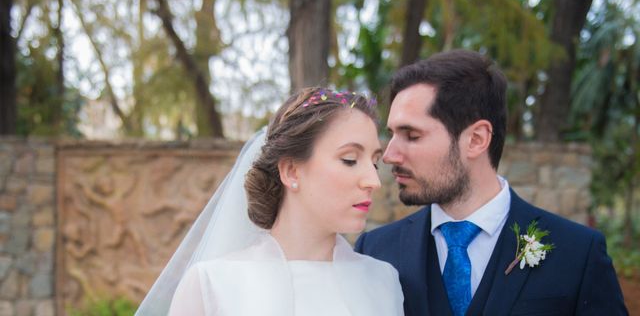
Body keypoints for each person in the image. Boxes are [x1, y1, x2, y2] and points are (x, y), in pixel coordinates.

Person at [355, 49, 627, 316]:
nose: (389, 155)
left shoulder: (578, 254)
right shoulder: (375, 251)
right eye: (391, 134)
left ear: (476, 139)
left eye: (412, 135)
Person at [136, 87, 404, 316]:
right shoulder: (211, 284)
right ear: (291, 171)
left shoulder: (384, 281)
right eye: (349, 160)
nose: (373, 181)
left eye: (374, 162)